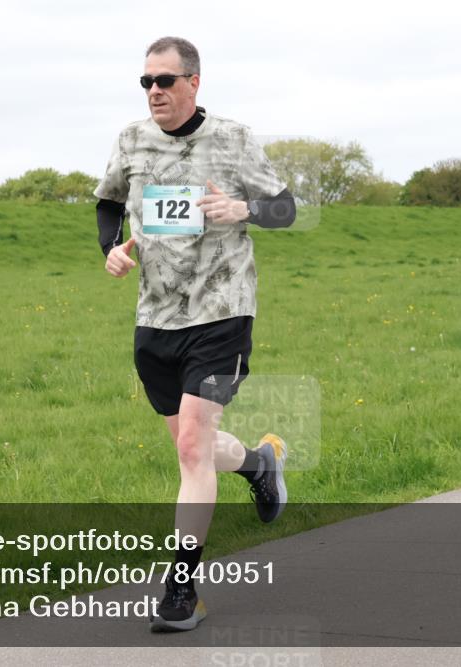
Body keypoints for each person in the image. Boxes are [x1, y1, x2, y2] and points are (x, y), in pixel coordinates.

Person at [93, 36, 297, 632]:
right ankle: (259, 466)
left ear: (193, 82)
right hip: (156, 318)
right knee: (196, 446)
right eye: (146, 82)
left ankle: (181, 593)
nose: (154, 91)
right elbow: (107, 204)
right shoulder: (131, 140)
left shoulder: (233, 139)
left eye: (164, 81)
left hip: (223, 310)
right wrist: (111, 250)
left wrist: (246, 211)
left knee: (189, 447)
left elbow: (287, 207)